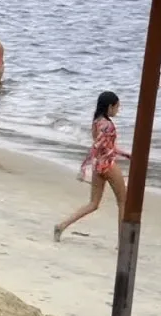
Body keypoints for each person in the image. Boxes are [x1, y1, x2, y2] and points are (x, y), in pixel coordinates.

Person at [54, 91, 129, 241]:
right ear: (110, 106)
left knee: (93, 204)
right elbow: (99, 145)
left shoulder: (96, 122)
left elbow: (105, 147)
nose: (118, 110)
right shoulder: (107, 125)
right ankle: (123, 242)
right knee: (123, 202)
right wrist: (83, 166)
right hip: (108, 165)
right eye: (117, 107)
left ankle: (62, 225)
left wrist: (126, 154)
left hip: (97, 167)